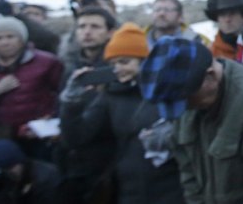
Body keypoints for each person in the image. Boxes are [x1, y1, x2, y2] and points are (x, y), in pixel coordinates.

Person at [139, 37, 243, 204]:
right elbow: (188, 173)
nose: (186, 108)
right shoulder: (186, 96)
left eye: (188, 100)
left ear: (210, 76)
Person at [59, 22, 184, 204]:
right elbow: (77, 137)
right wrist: (71, 102)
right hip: (129, 189)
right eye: (113, 63)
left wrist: (172, 135)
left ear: (144, 61)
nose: (118, 69)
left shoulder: (168, 91)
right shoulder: (110, 96)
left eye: (125, 62)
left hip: (172, 187)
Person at [54, 5, 118, 204]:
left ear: (110, 33)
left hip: (106, 162)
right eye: (82, 27)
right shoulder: (70, 68)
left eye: (95, 27)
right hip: (71, 161)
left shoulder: (117, 68)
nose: (87, 32)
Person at [0, 16, 63, 160]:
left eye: (10, 36)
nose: (5, 42)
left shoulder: (47, 62)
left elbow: (62, 94)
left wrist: (51, 117)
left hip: (37, 133)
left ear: (22, 39)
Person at [0, 138, 61, 204]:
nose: (7, 173)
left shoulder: (46, 178)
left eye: (9, 167)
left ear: (20, 163)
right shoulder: (0, 182)